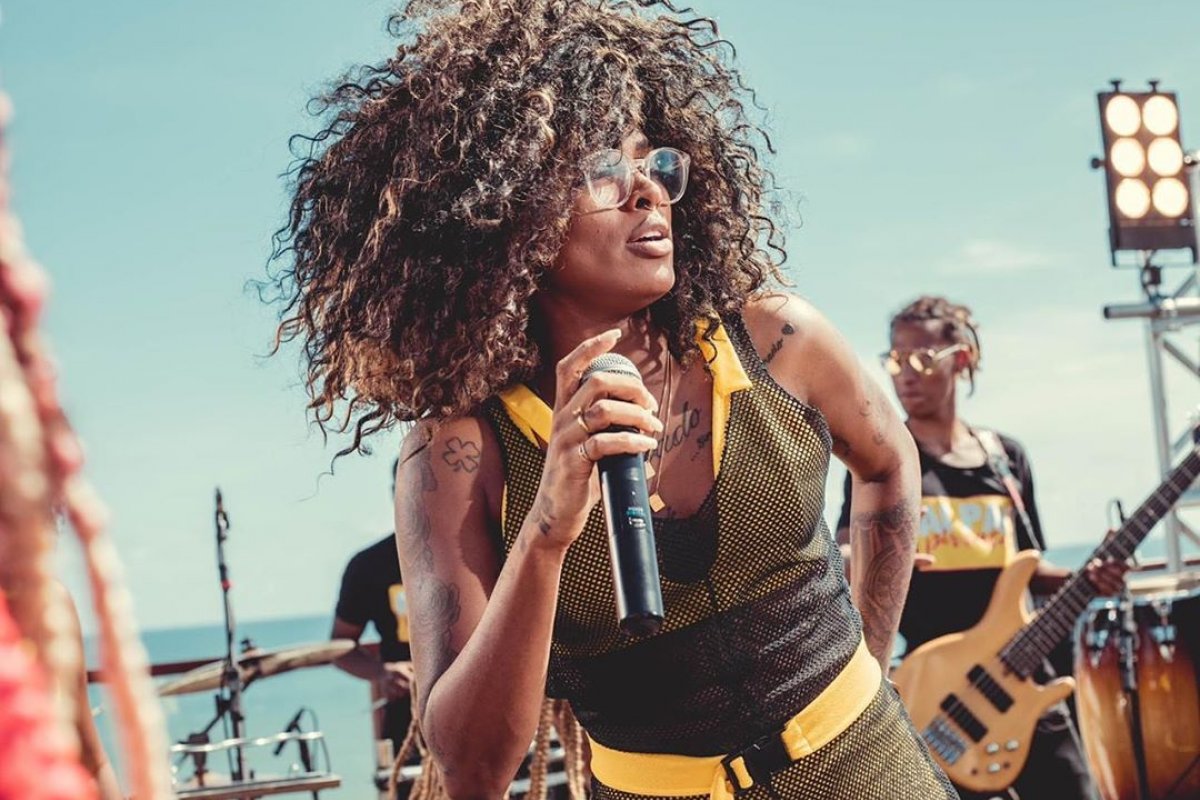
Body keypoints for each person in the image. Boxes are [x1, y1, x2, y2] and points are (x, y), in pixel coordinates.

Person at [271, 2, 957, 797]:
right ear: (502, 207)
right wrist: (547, 532)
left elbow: (889, 463)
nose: (647, 192)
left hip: (869, 770)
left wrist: (870, 656)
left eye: (655, 162)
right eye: (602, 167)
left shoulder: (774, 337)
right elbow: (469, 766)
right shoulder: (459, 449)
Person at [835, 295, 1126, 800]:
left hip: (1021, 673)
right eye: (896, 360)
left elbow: (1028, 566)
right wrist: (857, 556)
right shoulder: (887, 462)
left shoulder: (1006, 458)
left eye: (923, 359)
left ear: (962, 359)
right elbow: (847, 552)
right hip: (935, 691)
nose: (906, 374)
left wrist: (1090, 576)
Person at [330, 458, 414, 758]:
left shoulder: (486, 549)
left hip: (483, 712)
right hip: (409, 724)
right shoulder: (369, 566)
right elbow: (340, 648)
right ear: (396, 493)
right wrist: (382, 672)